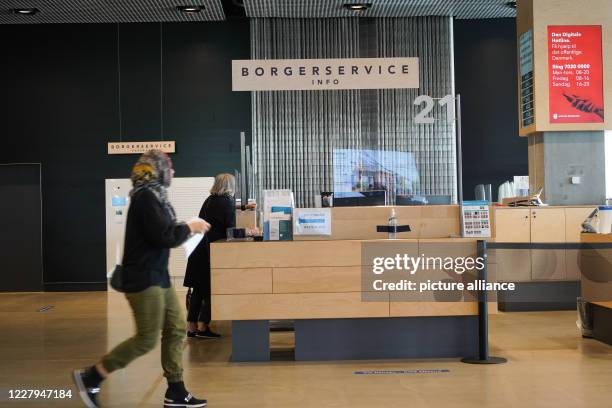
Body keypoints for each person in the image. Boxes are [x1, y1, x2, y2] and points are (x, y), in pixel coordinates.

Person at [72, 150, 210, 408]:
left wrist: (185, 228)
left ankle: (176, 391)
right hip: (143, 278)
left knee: (176, 328)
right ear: (156, 169)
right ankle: (92, 376)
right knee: (146, 338)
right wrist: (191, 226)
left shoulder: (155, 196)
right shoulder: (146, 197)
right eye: (170, 166)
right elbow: (164, 237)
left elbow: (163, 234)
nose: (174, 172)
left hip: (158, 275)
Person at [184, 173, 236, 339]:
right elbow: (231, 229)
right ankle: (203, 325)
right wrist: (248, 231)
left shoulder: (209, 200)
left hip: (198, 248)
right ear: (230, 186)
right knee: (213, 289)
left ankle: (192, 327)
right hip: (211, 251)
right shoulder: (227, 203)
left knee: (199, 290)